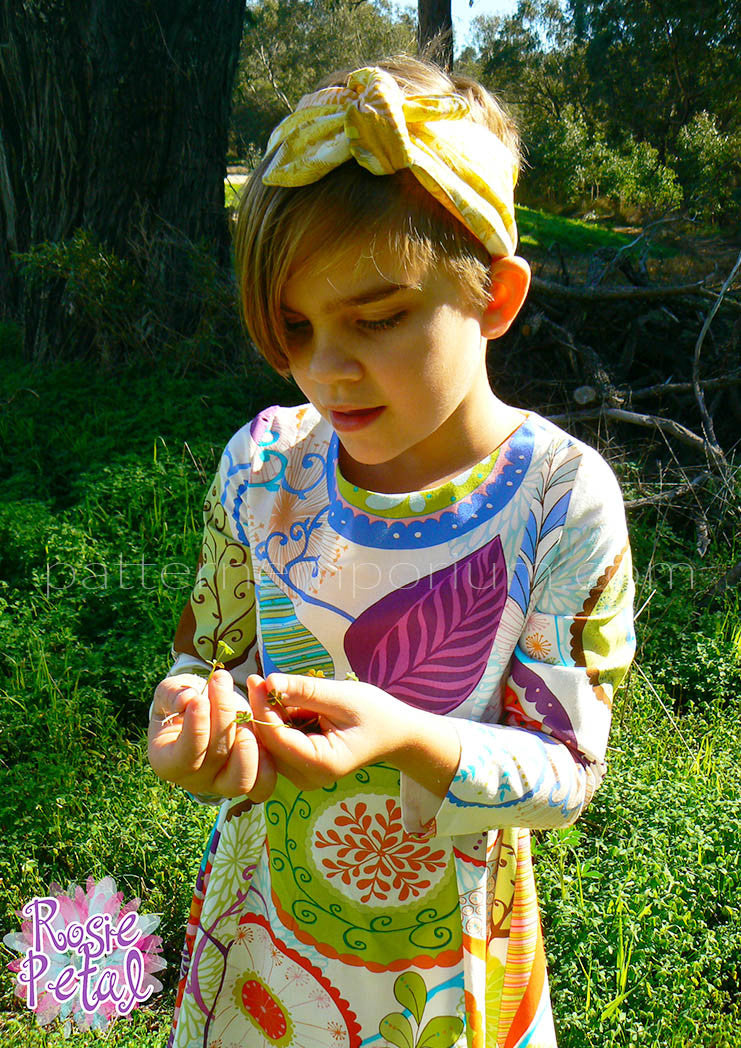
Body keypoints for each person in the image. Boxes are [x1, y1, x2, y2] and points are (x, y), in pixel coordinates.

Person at [148, 55, 635, 1048]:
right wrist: (210, 733)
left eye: (377, 318)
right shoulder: (260, 470)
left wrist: (405, 733)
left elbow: (567, 767)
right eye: (294, 326)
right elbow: (215, 659)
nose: (327, 369)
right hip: (266, 950)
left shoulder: (558, 497)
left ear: (494, 297)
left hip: (444, 975)